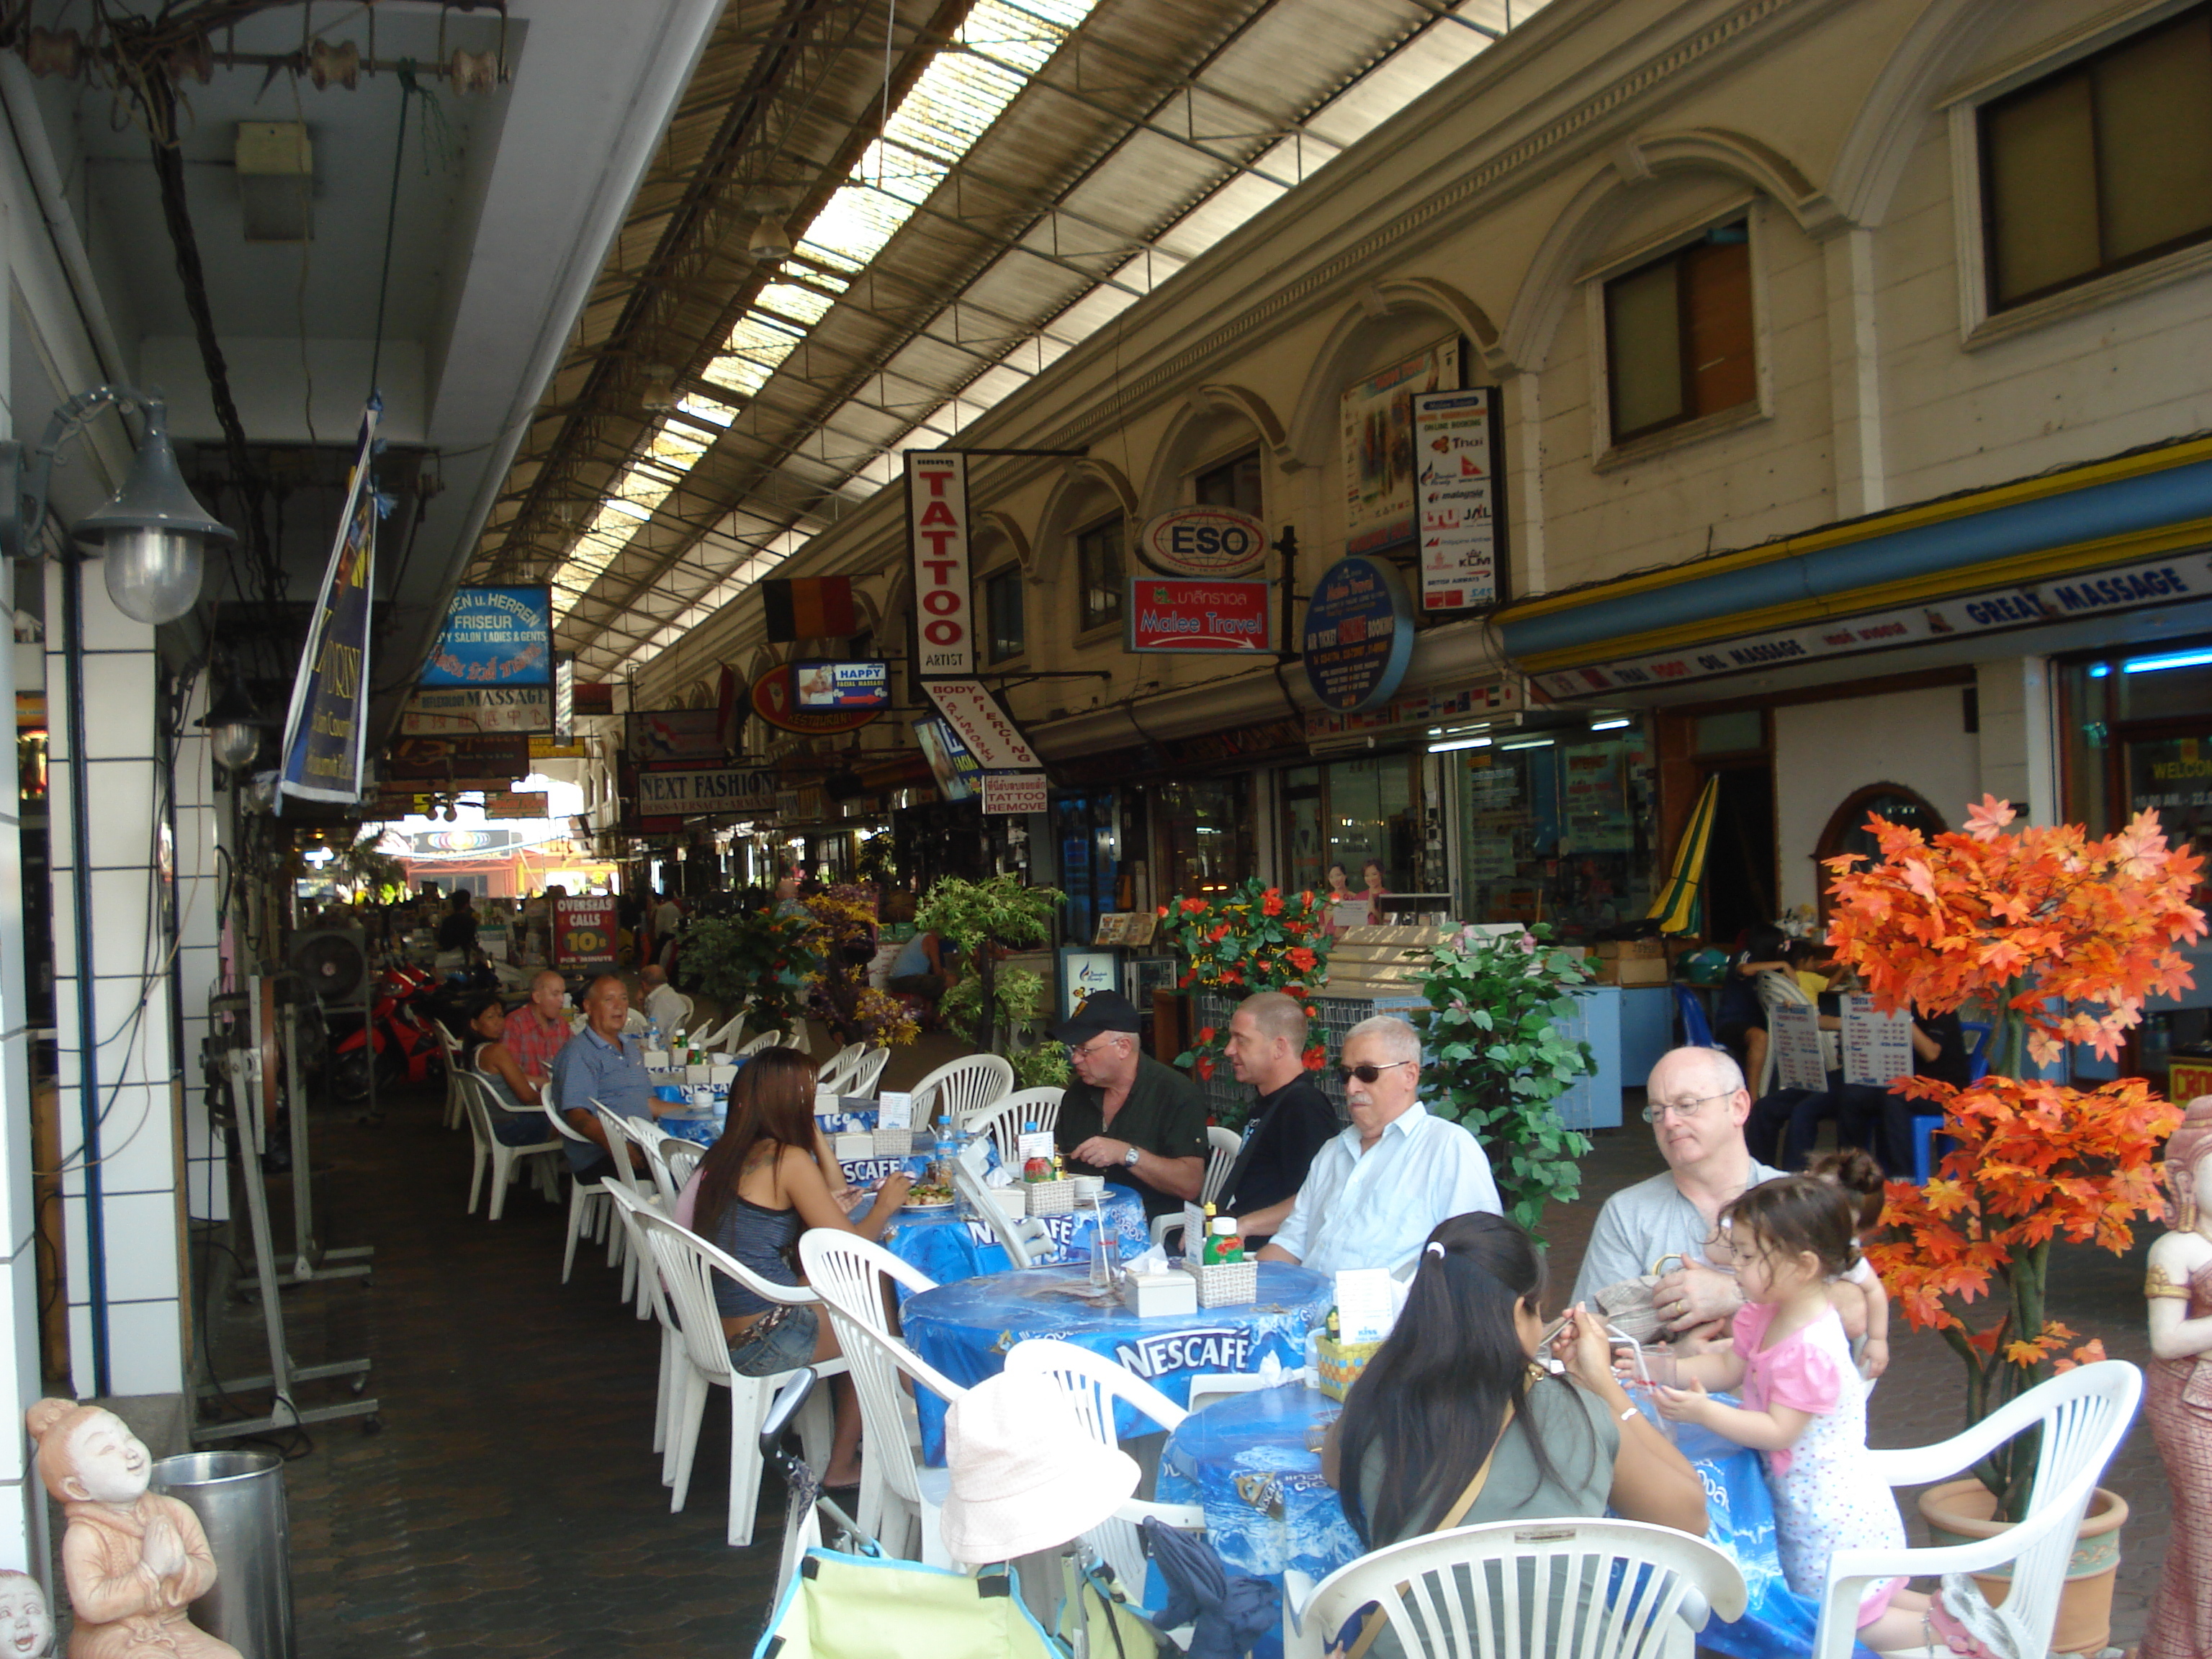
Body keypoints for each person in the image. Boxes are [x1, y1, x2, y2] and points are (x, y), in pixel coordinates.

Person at [1323, 1215, 1706, 1657]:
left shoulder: (1374, 1402)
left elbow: (1335, 1469)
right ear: (1518, 1309)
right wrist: (1604, 1384)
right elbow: (1689, 1519)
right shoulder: (1576, 1410)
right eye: (1540, 1313)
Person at [1651, 1176, 1941, 1653]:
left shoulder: (1811, 1349)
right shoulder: (1767, 1312)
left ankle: (1964, 1635)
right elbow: (1729, 1365)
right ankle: (1964, 1617)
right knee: (1868, 1602)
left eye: (1747, 1255)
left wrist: (1704, 1413)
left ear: (1802, 1265)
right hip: (1816, 1502)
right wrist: (1665, 1367)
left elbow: (1778, 1430)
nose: (1735, 1266)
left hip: (1830, 1516)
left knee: (1845, 1620)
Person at [687, 1048, 911, 1488]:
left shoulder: (727, 1153)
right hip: (764, 1338)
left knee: (865, 1297)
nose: (815, 1101)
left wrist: (816, 1153)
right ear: (788, 1101)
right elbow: (847, 1248)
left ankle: (900, 1398)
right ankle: (853, 1454)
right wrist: (884, 1206)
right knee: (877, 1313)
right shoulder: (787, 1160)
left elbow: (821, 1205)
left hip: (730, 1322)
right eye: (808, 1095)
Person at [1569, 1046, 1789, 1340]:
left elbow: (1852, 1314)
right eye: (1657, 1111)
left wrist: (1736, 1294)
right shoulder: (1627, 1212)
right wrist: (1675, 1362)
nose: (1669, 1122)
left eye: (1686, 1104)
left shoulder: (1799, 1200)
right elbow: (1588, 1336)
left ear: (1738, 1107)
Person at [1259, 1016, 1501, 1275]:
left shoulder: (1447, 1147)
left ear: (1409, 1075)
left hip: (1397, 1314)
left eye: (1367, 1073)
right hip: (1310, 1307)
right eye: (1345, 1074)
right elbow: (1290, 1244)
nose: (1352, 1087)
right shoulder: (1333, 1152)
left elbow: (1479, 1256)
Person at [1051, 990, 1207, 1218]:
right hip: (1082, 1225)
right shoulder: (1078, 1094)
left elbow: (1190, 1184)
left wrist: (1127, 1154)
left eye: (1085, 1050)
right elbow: (1059, 1161)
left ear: (1123, 1047)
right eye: (1073, 1049)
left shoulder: (1175, 1094)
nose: (1075, 1059)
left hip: (1153, 1230)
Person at [1216, 992, 1339, 1249]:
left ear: (1279, 1047)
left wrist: (1245, 1226)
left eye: (1242, 1040)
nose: (1229, 1050)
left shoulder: (1304, 1108)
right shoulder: (1269, 1103)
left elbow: (1316, 1198)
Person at [549, 974, 679, 1179]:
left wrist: (702, 1111)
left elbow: (651, 1105)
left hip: (642, 1144)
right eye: (609, 1000)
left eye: (624, 998)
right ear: (589, 1007)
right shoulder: (579, 1053)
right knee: (690, 1172)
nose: (619, 1006)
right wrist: (615, 1143)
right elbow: (577, 1115)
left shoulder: (628, 1045)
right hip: (601, 1157)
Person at [1805, 1148, 1893, 1380]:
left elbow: (1874, 1291)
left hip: (1819, 1349)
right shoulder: (1784, 1224)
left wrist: (1877, 1339)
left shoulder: (1844, 1258)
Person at [459, 994, 559, 1148]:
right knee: (580, 1121)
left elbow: (515, 1078)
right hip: (514, 1127)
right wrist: (557, 1104)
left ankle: (545, 1170)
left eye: (500, 1016)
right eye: (490, 1017)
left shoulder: (474, 1053)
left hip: (494, 1126)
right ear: (474, 1024)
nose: (498, 1022)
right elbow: (529, 1098)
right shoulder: (496, 1051)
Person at [502, 969, 572, 1084]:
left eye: (563, 994)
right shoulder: (515, 1023)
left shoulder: (562, 1025)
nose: (562, 1000)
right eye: (555, 994)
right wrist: (548, 1085)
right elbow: (510, 1075)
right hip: (527, 1098)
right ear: (537, 997)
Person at [886, 928, 951, 1007]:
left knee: (933, 984)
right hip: (905, 980)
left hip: (895, 980)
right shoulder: (931, 940)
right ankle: (940, 1016)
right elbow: (937, 971)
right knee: (950, 980)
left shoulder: (919, 936)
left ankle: (931, 1012)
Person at [639, 963, 688, 1037]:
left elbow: (654, 1031)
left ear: (644, 985)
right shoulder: (667, 993)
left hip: (664, 1041)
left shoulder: (661, 1000)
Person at [436, 889, 478, 955]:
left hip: (448, 957)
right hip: (465, 956)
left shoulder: (447, 921)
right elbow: (473, 942)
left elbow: (441, 942)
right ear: (467, 904)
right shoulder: (471, 921)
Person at [1359, 858, 1390, 925]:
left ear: (1381, 874)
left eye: (1374, 874)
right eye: (1367, 876)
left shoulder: (1388, 897)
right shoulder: (1359, 897)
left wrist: (1374, 911)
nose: (1371, 879)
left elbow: (1390, 925)